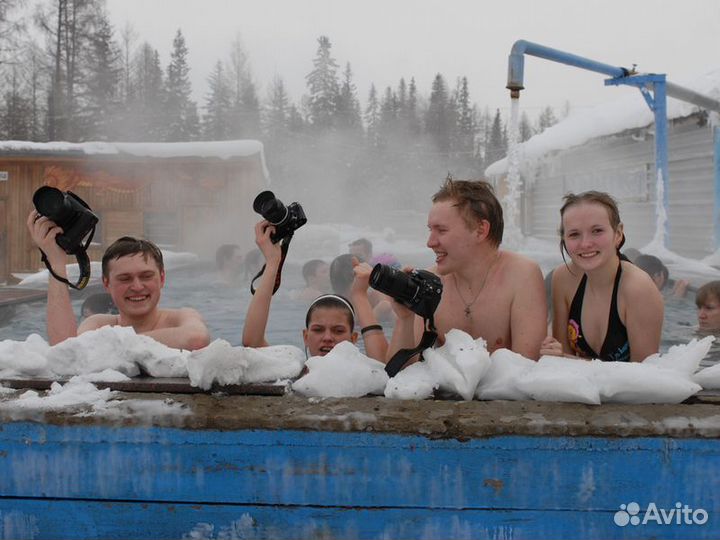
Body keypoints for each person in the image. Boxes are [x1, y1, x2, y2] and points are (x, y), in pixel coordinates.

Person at [387, 178, 547, 363]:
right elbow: (400, 378)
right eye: (430, 230)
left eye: (441, 230)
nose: (430, 242)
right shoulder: (431, 285)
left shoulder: (520, 275)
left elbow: (526, 370)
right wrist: (405, 319)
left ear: (480, 230)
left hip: (503, 392)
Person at [27, 210, 211, 350]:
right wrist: (56, 262)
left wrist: (111, 346)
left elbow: (196, 338)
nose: (137, 286)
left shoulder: (181, 317)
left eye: (146, 276)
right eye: (125, 279)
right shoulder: (99, 324)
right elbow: (65, 349)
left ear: (162, 278)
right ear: (107, 283)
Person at [540, 191, 663, 362]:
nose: (585, 244)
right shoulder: (563, 278)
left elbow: (643, 377)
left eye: (597, 231)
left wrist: (571, 360)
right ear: (564, 239)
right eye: (574, 234)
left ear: (618, 233)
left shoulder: (637, 288)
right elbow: (560, 360)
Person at [242, 220, 387, 360]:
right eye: (318, 330)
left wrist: (360, 295)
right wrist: (273, 262)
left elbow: (381, 363)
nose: (327, 338)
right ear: (305, 337)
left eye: (339, 330)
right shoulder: (298, 371)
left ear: (354, 338)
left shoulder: (367, 373)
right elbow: (253, 344)